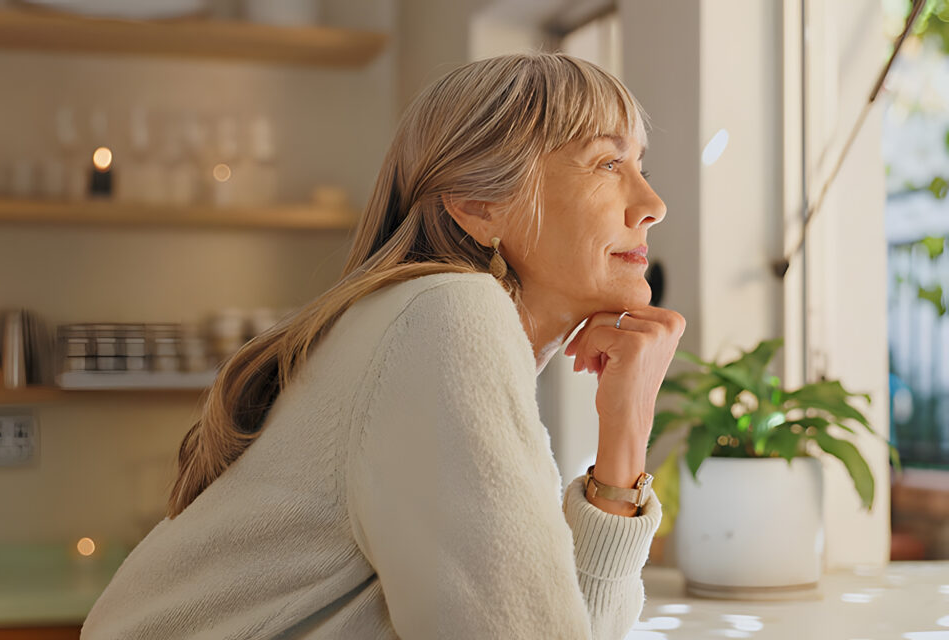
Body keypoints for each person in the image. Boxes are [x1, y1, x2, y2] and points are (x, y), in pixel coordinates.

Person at [81, 51, 685, 640]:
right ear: (481, 206)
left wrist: (626, 429)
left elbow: (573, 623)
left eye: (642, 169)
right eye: (608, 164)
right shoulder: (447, 312)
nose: (652, 206)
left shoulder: (425, 320)